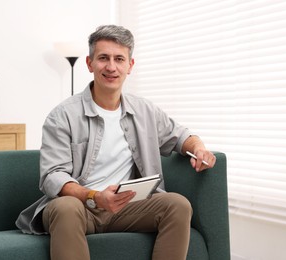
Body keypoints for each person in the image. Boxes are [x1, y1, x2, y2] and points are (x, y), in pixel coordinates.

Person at [16, 25, 216, 260]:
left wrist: (199, 148)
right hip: (82, 206)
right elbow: (53, 176)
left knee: (177, 204)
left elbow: (181, 136)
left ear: (129, 66)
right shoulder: (63, 115)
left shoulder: (145, 110)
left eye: (119, 59)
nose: (111, 67)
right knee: (65, 207)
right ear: (90, 64)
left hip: (127, 206)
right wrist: (94, 197)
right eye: (103, 58)